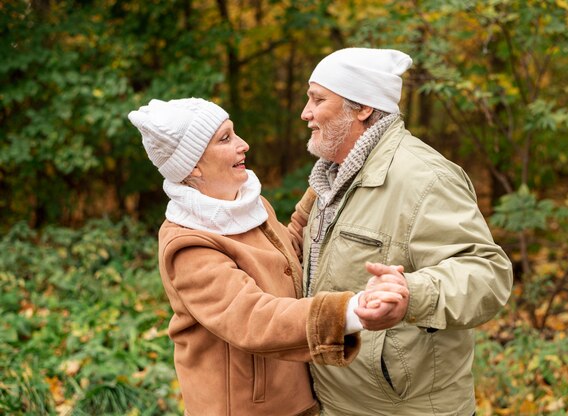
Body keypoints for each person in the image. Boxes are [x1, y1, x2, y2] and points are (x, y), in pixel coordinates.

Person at [127, 97, 407, 416]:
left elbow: (279, 258)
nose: (243, 144)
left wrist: (323, 191)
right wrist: (350, 311)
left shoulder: (245, 204)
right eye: (225, 138)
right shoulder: (188, 244)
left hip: (292, 394)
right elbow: (252, 318)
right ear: (192, 165)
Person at [300, 48, 514, 415]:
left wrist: (411, 296)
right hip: (336, 402)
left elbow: (487, 273)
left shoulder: (425, 178)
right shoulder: (331, 178)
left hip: (403, 408)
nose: (306, 113)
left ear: (363, 107)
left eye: (318, 99)